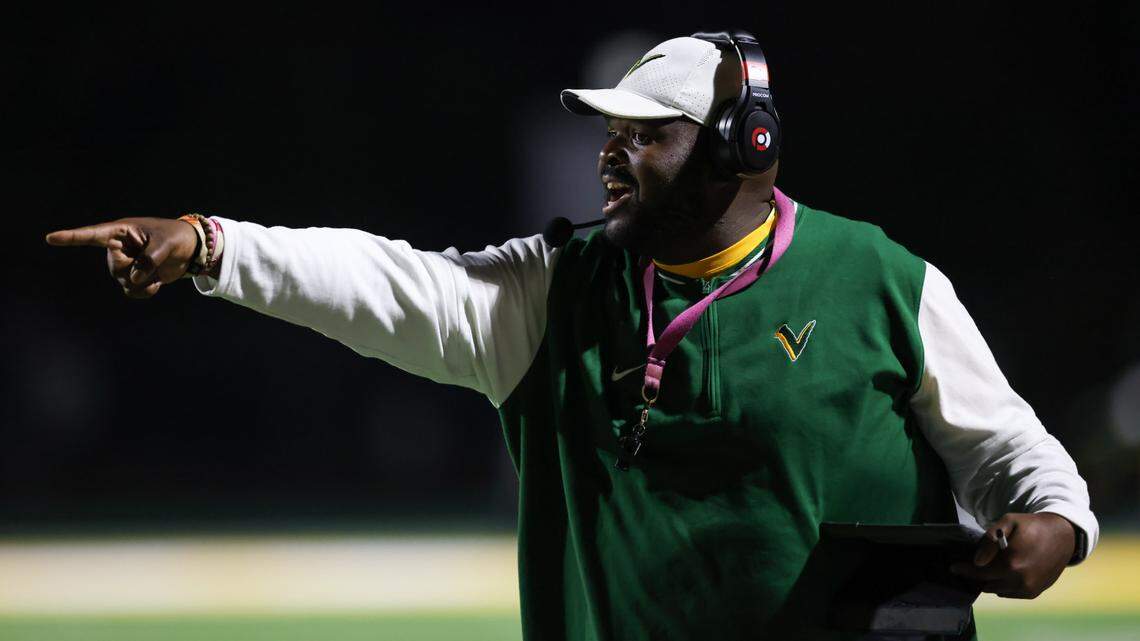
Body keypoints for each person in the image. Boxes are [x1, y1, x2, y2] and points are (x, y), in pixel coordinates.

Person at [46, 31, 1097, 641]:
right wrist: (210, 244)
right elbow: (389, 281)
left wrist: (1054, 519)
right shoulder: (559, 286)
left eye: (647, 134)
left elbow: (1005, 445)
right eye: (609, 131)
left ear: (744, 146)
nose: (611, 155)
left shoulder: (880, 278)